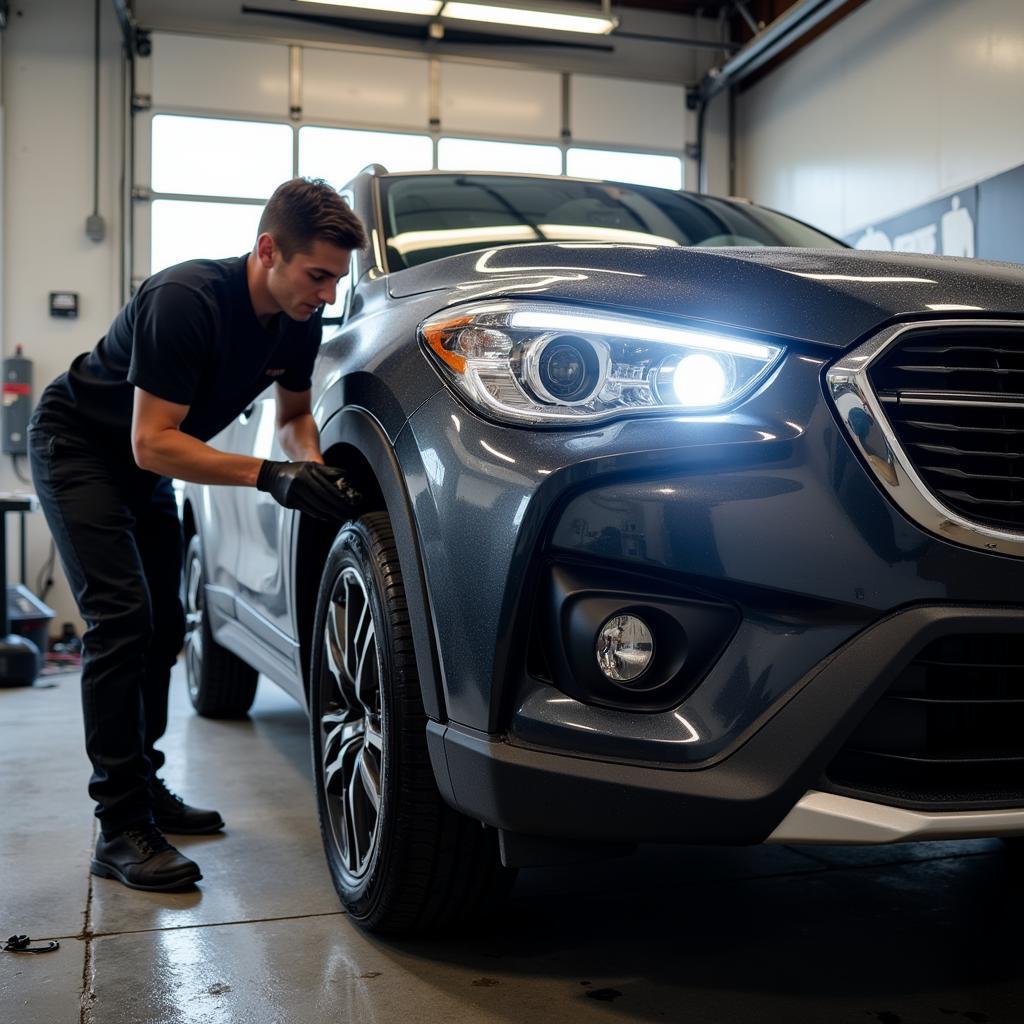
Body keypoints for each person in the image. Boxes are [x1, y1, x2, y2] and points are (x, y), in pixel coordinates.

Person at [28, 177, 368, 893]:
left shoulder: (298, 318)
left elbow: (293, 417)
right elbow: (153, 443)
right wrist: (271, 478)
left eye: (337, 280)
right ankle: (119, 829)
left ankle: (144, 789)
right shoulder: (186, 301)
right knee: (121, 620)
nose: (328, 296)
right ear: (267, 249)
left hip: (140, 468)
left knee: (160, 630)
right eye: (317, 275)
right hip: (80, 449)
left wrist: (312, 473)